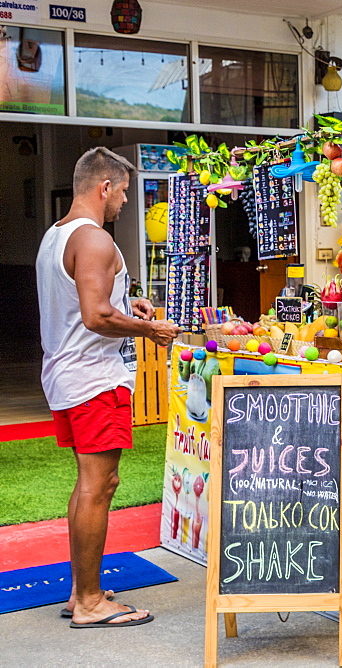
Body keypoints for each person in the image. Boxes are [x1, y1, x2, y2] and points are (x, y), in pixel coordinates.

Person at [35, 147, 181, 628]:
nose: (123, 202)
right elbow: (96, 315)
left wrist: (128, 300)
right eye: (122, 191)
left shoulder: (56, 237)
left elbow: (91, 299)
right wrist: (150, 332)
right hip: (95, 381)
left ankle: (81, 590)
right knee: (101, 486)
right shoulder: (95, 240)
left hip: (65, 375)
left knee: (88, 484)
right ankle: (93, 603)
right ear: (104, 187)